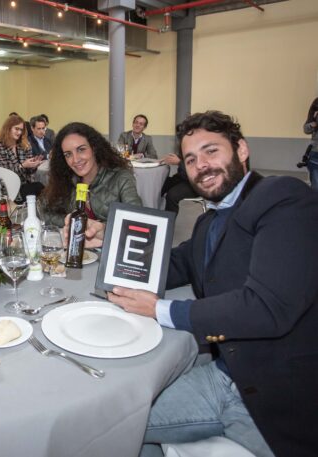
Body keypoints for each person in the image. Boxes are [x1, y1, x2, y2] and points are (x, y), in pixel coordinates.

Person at [102, 111, 318, 457]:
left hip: (281, 399)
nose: (201, 165)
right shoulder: (208, 222)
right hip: (221, 376)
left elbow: (268, 307)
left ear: (241, 150)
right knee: (115, 431)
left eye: (211, 151)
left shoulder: (282, 197)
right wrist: (107, 245)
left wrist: (160, 310)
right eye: (190, 159)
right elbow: (172, 264)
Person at [41, 122, 141, 226]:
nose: (75, 160)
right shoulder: (65, 179)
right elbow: (41, 212)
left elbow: (137, 221)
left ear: (94, 148)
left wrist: (103, 228)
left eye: (81, 150)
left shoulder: (121, 178)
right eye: (68, 154)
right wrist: (71, 221)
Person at [0, 114, 44, 201]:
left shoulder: (24, 145)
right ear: (8, 128)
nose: (19, 132)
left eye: (21, 130)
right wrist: (23, 165)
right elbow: (7, 175)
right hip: (11, 189)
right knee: (40, 188)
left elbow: (30, 173)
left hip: (27, 185)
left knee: (45, 189)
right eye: (16, 129)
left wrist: (33, 165)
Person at [302, 97, 318, 190]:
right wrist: (313, 122)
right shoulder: (315, 108)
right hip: (315, 154)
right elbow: (306, 129)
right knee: (316, 186)